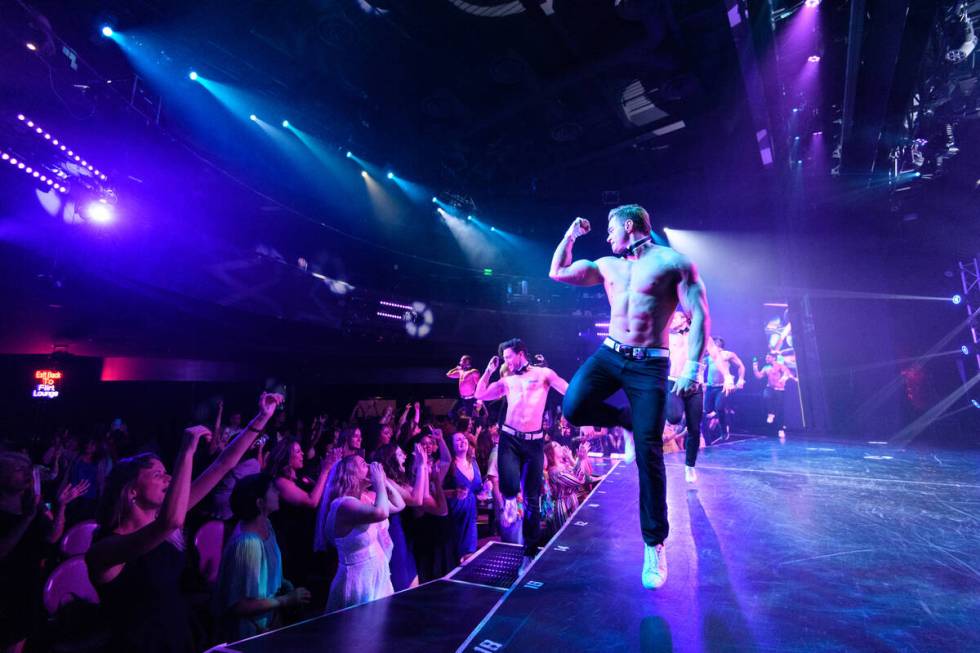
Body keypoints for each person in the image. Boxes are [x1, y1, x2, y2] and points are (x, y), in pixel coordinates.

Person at [549, 204, 719, 590]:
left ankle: (654, 543)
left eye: (610, 229)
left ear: (629, 226)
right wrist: (570, 236)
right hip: (610, 354)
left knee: (649, 454)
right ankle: (627, 420)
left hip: (650, 365)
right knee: (572, 407)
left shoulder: (673, 262)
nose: (607, 237)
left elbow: (700, 315)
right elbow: (557, 272)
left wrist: (692, 366)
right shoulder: (609, 265)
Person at [86, 393, 283, 653]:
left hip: (177, 638)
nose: (168, 477)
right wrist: (186, 452)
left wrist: (262, 416)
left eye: (167, 471)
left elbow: (223, 464)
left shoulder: (163, 521)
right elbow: (170, 522)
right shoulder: (106, 547)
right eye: (158, 474)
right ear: (131, 491)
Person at [474, 338, 568, 572]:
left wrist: (582, 401)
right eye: (503, 359)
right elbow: (480, 395)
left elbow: (567, 389)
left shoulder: (544, 374)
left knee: (532, 501)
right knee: (509, 484)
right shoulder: (507, 381)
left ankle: (529, 552)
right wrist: (488, 371)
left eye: (508, 357)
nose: (506, 362)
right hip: (510, 439)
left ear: (520, 353)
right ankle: (507, 500)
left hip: (534, 442)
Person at [1, 453, 88, 653]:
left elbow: (53, 536)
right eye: (18, 469)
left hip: (27, 582)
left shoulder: (33, 503)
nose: (27, 474)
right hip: (5, 581)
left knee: (18, 638)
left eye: (27, 468)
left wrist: (62, 506)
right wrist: (27, 518)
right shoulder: (25, 510)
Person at [213, 473, 311, 641]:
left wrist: (286, 586)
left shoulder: (267, 525)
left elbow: (271, 574)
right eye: (273, 490)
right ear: (260, 503)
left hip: (267, 624)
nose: (278, 493)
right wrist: (286, 600)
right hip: (248, 634)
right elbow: (239, 606)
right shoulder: (248, 543)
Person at [314, 456, 405, 612]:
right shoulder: (343, 504)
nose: (370, 466)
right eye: (364, 464)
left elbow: (399, 504)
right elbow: (381, 512)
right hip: (358, 580)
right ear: (351, 473)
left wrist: (384, 482)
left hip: (377, 573)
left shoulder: (365, 498)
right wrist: (378, 483)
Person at [665, 311, 733, 483]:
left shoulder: (702, 337)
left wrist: (727, 376)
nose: (671, 320)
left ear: (684, 320)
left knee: (694, 428)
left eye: (675, 317)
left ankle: (690, 466)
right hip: (674, 383)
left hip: (695, 386)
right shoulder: (668, 336)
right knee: (673, 417)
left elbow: (717, 356)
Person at [264, 439, 334, 588]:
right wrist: (325, 471)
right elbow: (311, 501)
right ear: (286, 456)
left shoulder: (301, 478)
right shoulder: (281, 482)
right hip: (289, 539)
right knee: (292, 579)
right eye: (297, 451)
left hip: (301, 536)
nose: (302, 454)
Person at [443, 431, 484, 563]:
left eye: (464, 439)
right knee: (455, 558)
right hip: (454, 518)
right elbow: (436, 490)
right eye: (458, 440)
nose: (463, 441)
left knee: (469, 556)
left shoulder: (474, 463)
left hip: (471, 517)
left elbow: (477, 489)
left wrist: (485, 487)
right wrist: (454, 492)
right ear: (451, 446)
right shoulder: (449, 465)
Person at [702, 336, 746, 442]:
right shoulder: (708, 356)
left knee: (719, 407)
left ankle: (724, 429)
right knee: (707, 410)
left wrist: (740, 379)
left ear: (717, 345)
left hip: (723, 387)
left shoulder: (727, 354)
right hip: (710, 387)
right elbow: (701, 367)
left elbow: (741, 366)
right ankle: (715, 419)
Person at [753, 352, 796, 439]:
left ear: (773, 358)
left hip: (779, 389)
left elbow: (786, 372)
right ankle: (771, 413)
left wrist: (783, 379)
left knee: (779, 410)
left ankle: (780, 429)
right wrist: (755, 367)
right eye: (766, 357)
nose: (766, 359)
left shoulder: (779, 365)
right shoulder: (766, 367)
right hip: (770, 387)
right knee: (766, 396)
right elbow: (759, 376)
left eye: (768, 357)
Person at [446, 356, 480, 421]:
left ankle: (468, 428)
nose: (460, 362)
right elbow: (448, 374)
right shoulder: (460, 372)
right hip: (462, 398)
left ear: (467, 362)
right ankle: (460, 424)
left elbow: (479, 385)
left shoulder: (473, 372)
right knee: (451, 413)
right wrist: (456, 368)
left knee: (469, 418)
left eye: (462, 361)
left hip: (470, 399)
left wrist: (479, 400)